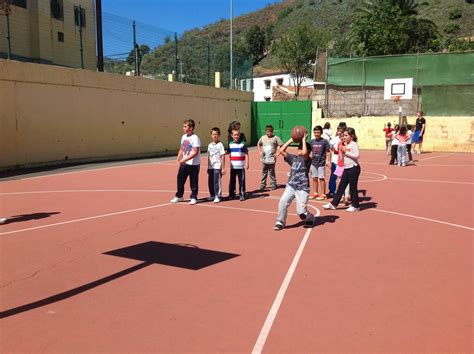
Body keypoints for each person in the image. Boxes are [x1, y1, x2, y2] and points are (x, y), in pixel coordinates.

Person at [273, 133, 315, 231]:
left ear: (308, 152)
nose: (299, 150)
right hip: (291, 186)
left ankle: (310, 217)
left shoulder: (307, 160)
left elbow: (304, 152)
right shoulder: (293, 158)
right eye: (298, 148)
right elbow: (281, 150)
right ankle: (280, 222)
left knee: (301, 212)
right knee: (282, 202)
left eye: (301, 148)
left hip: (303, 188)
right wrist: (291, 139)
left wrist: (303, 140)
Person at [323, 127, 361, 212]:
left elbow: (357, 155)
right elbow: (342, 158)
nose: (344, 137)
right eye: (344, 135)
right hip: (346, 168)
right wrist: (340, 151)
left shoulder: (353, 144)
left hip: (353, 168)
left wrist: (345, 151)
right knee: (341, 187)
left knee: (353, 187)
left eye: (346, 135)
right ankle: (333, 204)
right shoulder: (345, 145)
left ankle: (356, 205)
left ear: (351, 136)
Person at [170, 119, 201, 205]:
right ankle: (179, 196)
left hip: (193, 164)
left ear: (191, 128)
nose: (183, 128)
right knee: (180, 179)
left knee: (193, 181)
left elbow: (195, 152)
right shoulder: (184, 137)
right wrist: (178, 158)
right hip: (184, 163)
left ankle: (194, 197)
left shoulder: (195, 138)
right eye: (183, 126)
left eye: (185, 126)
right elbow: (182, 148)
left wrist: (184, 159)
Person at [257, 124, 283, 191]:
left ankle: (273, 184)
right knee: (264, 172)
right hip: (264, 159)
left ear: (272, 131)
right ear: (265, 131)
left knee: (272, 172)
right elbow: (258, 144)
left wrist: (278, 153)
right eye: (268, 131)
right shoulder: (263, 137)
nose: (269, 133)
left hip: (272, 159)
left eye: (270, 131)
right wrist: (260, 151)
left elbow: (281, 145)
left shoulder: (275, 138)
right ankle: (263, 184)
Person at [309, 126, 331, 200]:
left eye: (318, 132)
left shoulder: (324, 141)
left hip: (321, 163)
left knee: (321, 178)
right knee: (314, 178)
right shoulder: (311, 141)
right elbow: (309, 151)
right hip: (313, 163)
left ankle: (323, 194)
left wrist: (328, 160)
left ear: (321, 133)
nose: (317, 134)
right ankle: (315, 193)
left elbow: (328, 151)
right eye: (315, 132)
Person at [227, 129, 249, 201]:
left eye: (237, 135)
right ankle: (231, 194)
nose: (236, 136)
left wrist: (247, 163)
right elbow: (228, 153)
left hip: (240, 167)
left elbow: (246, 154)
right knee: (232, 181)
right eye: (235, 135)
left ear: (239, 135)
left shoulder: (242, 144)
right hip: (233, 166)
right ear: (232, 136)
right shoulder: (230, 144)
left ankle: (242, 194)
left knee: (241, 181)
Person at [207, 127, 226, 203]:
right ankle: (212, 195)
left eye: (216, 134)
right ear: (211, 135)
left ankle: (217, 195)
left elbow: (223, 156)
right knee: (210, 181)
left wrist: (223, 168)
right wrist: (208, 167)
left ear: (219, 135)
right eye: (213, 134)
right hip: (211, 166)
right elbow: (208, 156)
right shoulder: (209, 145)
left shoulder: (220, 145)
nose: (214, 136)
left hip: (217, 166)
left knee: (216, 181)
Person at [328, 127, 344, 197]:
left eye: (341, 131)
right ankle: (332, 191)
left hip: (342, 162)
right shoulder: (334, 139)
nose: (339, 132)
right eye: (338, 131)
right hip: (335, 161)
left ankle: (342, 192)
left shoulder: (345, 139)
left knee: (342, 178)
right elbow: (330, 148)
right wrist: (329, 159)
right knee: (333, 177)